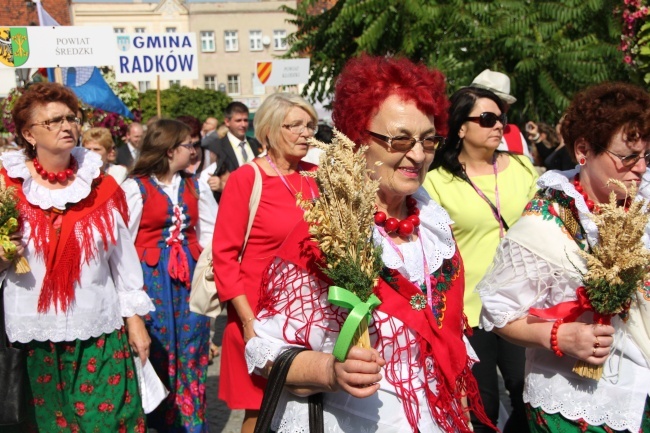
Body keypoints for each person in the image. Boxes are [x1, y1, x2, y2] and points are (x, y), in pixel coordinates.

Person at [245, 55, 492, 433]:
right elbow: (265, 352)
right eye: (399, 139)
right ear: (359, 139)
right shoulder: (325, 231)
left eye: (428, 140)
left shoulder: (433, 224)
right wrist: (330, 370)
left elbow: (447, 338)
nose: (417, 154)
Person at [478, 82, 650, 433]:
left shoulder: (642, 207)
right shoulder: (545, 221)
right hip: (577, 405)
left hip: (641, 396)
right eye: (628, 156)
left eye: (647, 155)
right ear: (583, 149)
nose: (640, 168)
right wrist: (559, 336)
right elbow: (497, 312)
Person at [1, 82, 153, 432]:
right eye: (53, 121)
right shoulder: (7, 187)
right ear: (29, 133)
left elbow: (122, 260)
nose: (67, 125)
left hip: (98, 330)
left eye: (71, 118)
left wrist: (135, 321)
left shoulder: (102, 186)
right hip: (34, 337)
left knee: (109, 422)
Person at [424, 86, 538, 433]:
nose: (499, 125)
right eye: (487, 119)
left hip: (523, 304)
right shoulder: (436, 181)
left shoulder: (521, 168)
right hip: (469, 311)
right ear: (461, 127)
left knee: (527, 395)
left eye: (501, 118)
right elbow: (432, 254)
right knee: (483, 405)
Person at [213, 93, 320, 433]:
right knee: (261, 411)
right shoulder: (247, 178)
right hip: (257, 314)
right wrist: (247, 321)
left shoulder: (317, 176)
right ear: (271, 130)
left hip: (308, 312)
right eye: (296, 126)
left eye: (310, 126)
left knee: (310, 406)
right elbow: (224, 255)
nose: (306, 133)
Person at [122, 119, 218, 433]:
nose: (193, 151)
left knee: (193, 353)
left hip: (189, 280)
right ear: (168, 150)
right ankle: (161, 424)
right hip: (151, 281)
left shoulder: (194, 185)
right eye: (187, 145)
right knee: (157, 354)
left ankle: (192, 425)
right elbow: (123, 243)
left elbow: (211, 233)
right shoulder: (135, 187)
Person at [470, 69, 533, 161]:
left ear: (506, 107)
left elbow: (526, 170)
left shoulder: (513, 133)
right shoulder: (454, 130)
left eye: (497, 102)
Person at [207, 102, 263, 203]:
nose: (243, 124)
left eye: (245, 120)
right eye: (238, 120)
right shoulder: (216, 147)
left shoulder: (255, 144)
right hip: (232, 203)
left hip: (258, 202)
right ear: (227, 122)